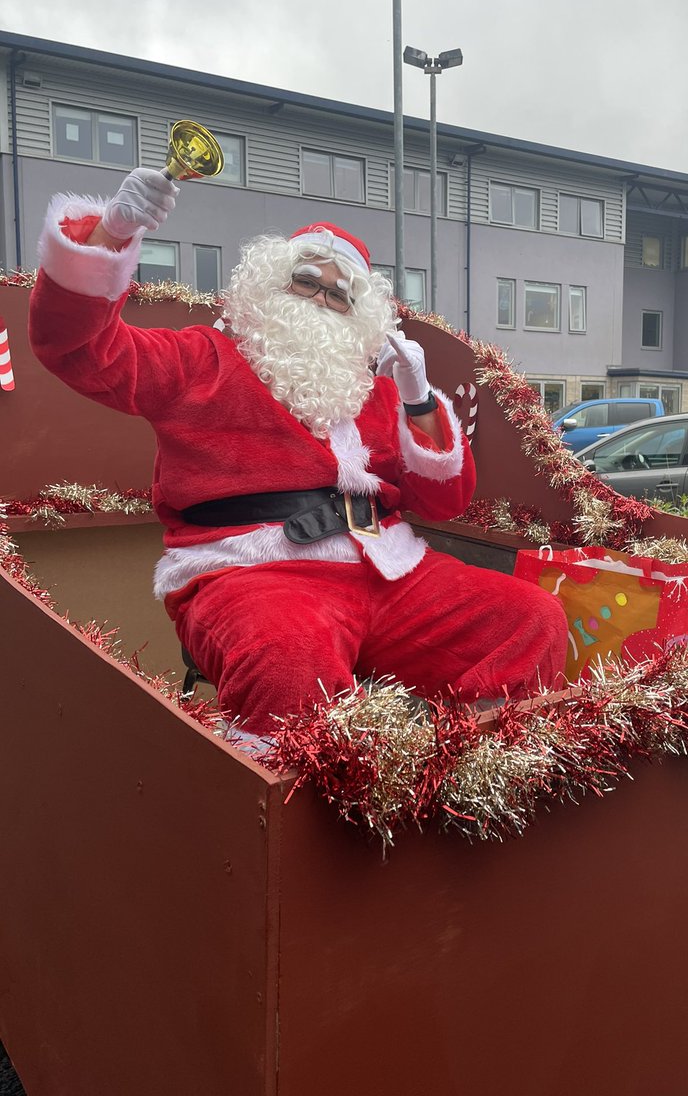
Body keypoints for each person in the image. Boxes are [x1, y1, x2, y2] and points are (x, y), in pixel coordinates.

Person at [29, 167, 569, 738]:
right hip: (253, 571)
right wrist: (110, 235)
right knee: (287, 657)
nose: (321, 300)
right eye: (307, 281)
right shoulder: (203, 359)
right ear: (270, 284)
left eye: (339, 294)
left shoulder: (379, 392)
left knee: (531, 619)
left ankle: (473, 770)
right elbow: (78, 349)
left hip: (388, 571)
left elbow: (445, 502)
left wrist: (417, 400)